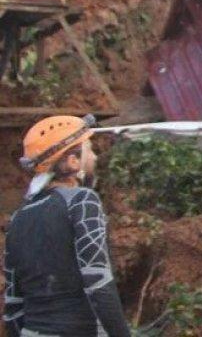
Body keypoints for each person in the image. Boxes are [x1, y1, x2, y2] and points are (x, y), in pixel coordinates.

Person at [4, 115, 131, 337]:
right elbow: (98, 282)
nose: (94, 157)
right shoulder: (82, 200)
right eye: (90, 150)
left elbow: (13, 303)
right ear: (73, 161)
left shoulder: (18, 218)